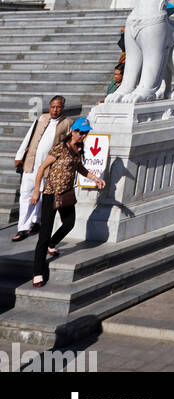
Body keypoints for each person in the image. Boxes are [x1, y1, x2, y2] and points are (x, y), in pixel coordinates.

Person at [29, 118, 105, 287]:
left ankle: (52, 243)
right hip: (51, 194)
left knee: (69, 223)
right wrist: (36, 191)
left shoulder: (79, 149)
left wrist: (95, 179)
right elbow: (42, 168)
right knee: (44, 234)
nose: (82, 136)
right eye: (80, 132)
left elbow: (79, 168)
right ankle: (38, 272)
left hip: (67, 194)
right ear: (73, 131)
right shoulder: (59, 148)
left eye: (85, 133)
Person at [12, 96, 72, 242]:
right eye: (52, 106)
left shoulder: (67, 123)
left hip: (49, 167)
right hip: (31, 163)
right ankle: (23, 228)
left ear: (62, 108)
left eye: (58, 107)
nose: (55, 110)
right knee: (26, 194)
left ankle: (35, 222)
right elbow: (29, 137)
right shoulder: (41, 119)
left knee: (40, 195)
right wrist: (19, 155)